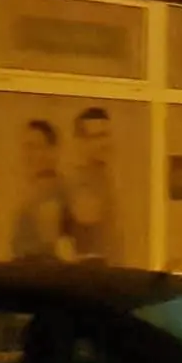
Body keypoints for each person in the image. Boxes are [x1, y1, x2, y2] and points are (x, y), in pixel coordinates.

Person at [64, 107, 120, 264]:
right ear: (81, 142)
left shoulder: (107, 179)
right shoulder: (77, 183)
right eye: (98, 137)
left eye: (106, 135)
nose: (105, 143)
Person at [11, 119, 69, 262]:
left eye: (35, 147)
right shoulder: (29, 196)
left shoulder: (57, 194)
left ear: (51, 151)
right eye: (26, 147)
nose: (28, 155)